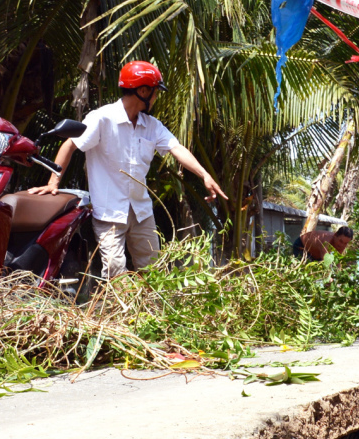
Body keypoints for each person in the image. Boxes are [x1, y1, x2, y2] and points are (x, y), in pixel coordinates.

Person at [27, 60, 227, 278]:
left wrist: (205, 175)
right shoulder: (102, 118)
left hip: (141, 212)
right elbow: (70, 144)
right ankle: (122, 310)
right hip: (109, 212)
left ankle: (150, 311)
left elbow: (176, 148)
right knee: (114, 271)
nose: (157, 97)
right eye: (155, 92)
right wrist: (53, 183)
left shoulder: (152, 126)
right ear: (143, 91)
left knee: (153, 272)